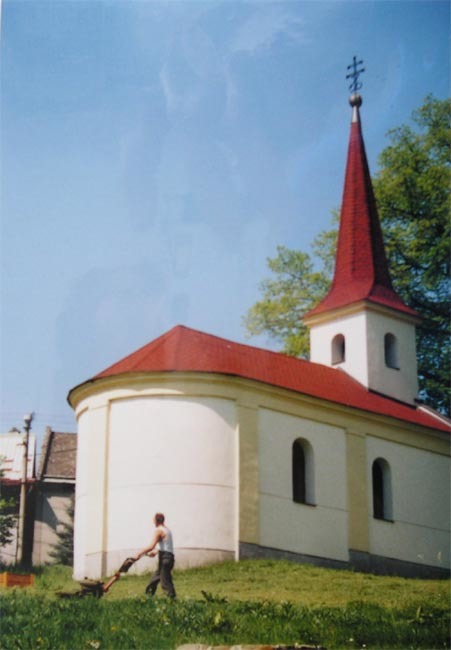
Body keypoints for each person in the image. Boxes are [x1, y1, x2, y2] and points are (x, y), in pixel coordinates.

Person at [134, 512, 176, 599]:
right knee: (155, 578)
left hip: (165, 559)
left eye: (154, 520)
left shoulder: (159, 531)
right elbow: (167, 546)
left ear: (157, 521)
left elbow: (151, 546)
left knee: (165, 582)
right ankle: (148, 597)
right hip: (169, 557)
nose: (153, 523)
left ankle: (172, 601)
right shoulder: (167, 530)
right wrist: (156, 552)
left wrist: (139, 553)